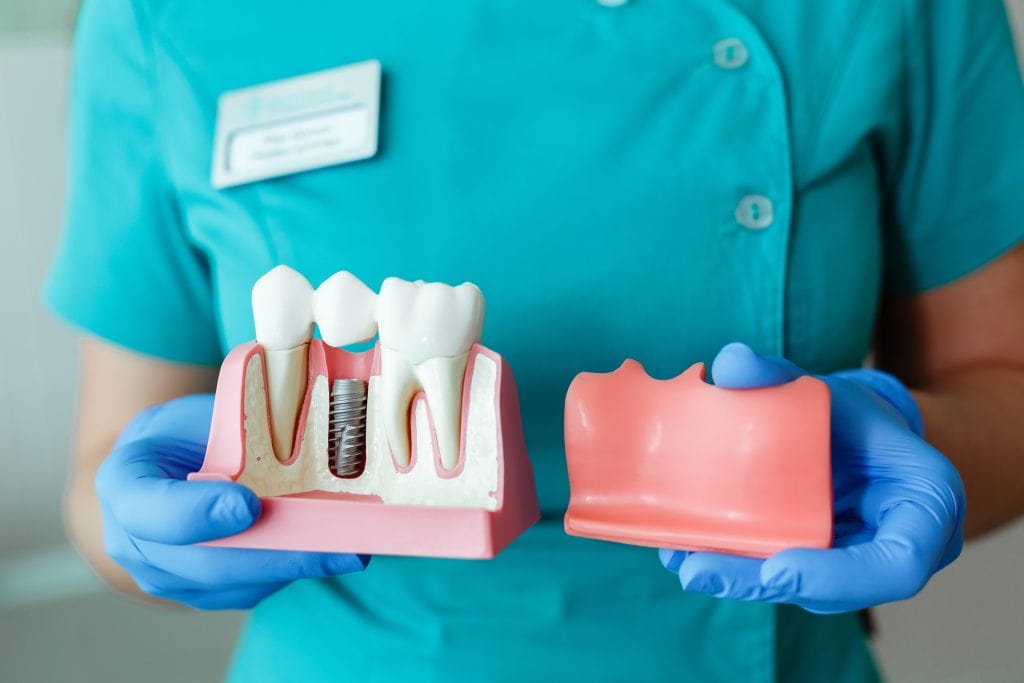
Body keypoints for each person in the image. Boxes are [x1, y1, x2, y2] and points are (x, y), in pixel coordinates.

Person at [46, 1, 1024, 681]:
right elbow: (108, 459)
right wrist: (144, 528)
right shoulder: (163, 16)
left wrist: (894, 440)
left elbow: (1003, 384)